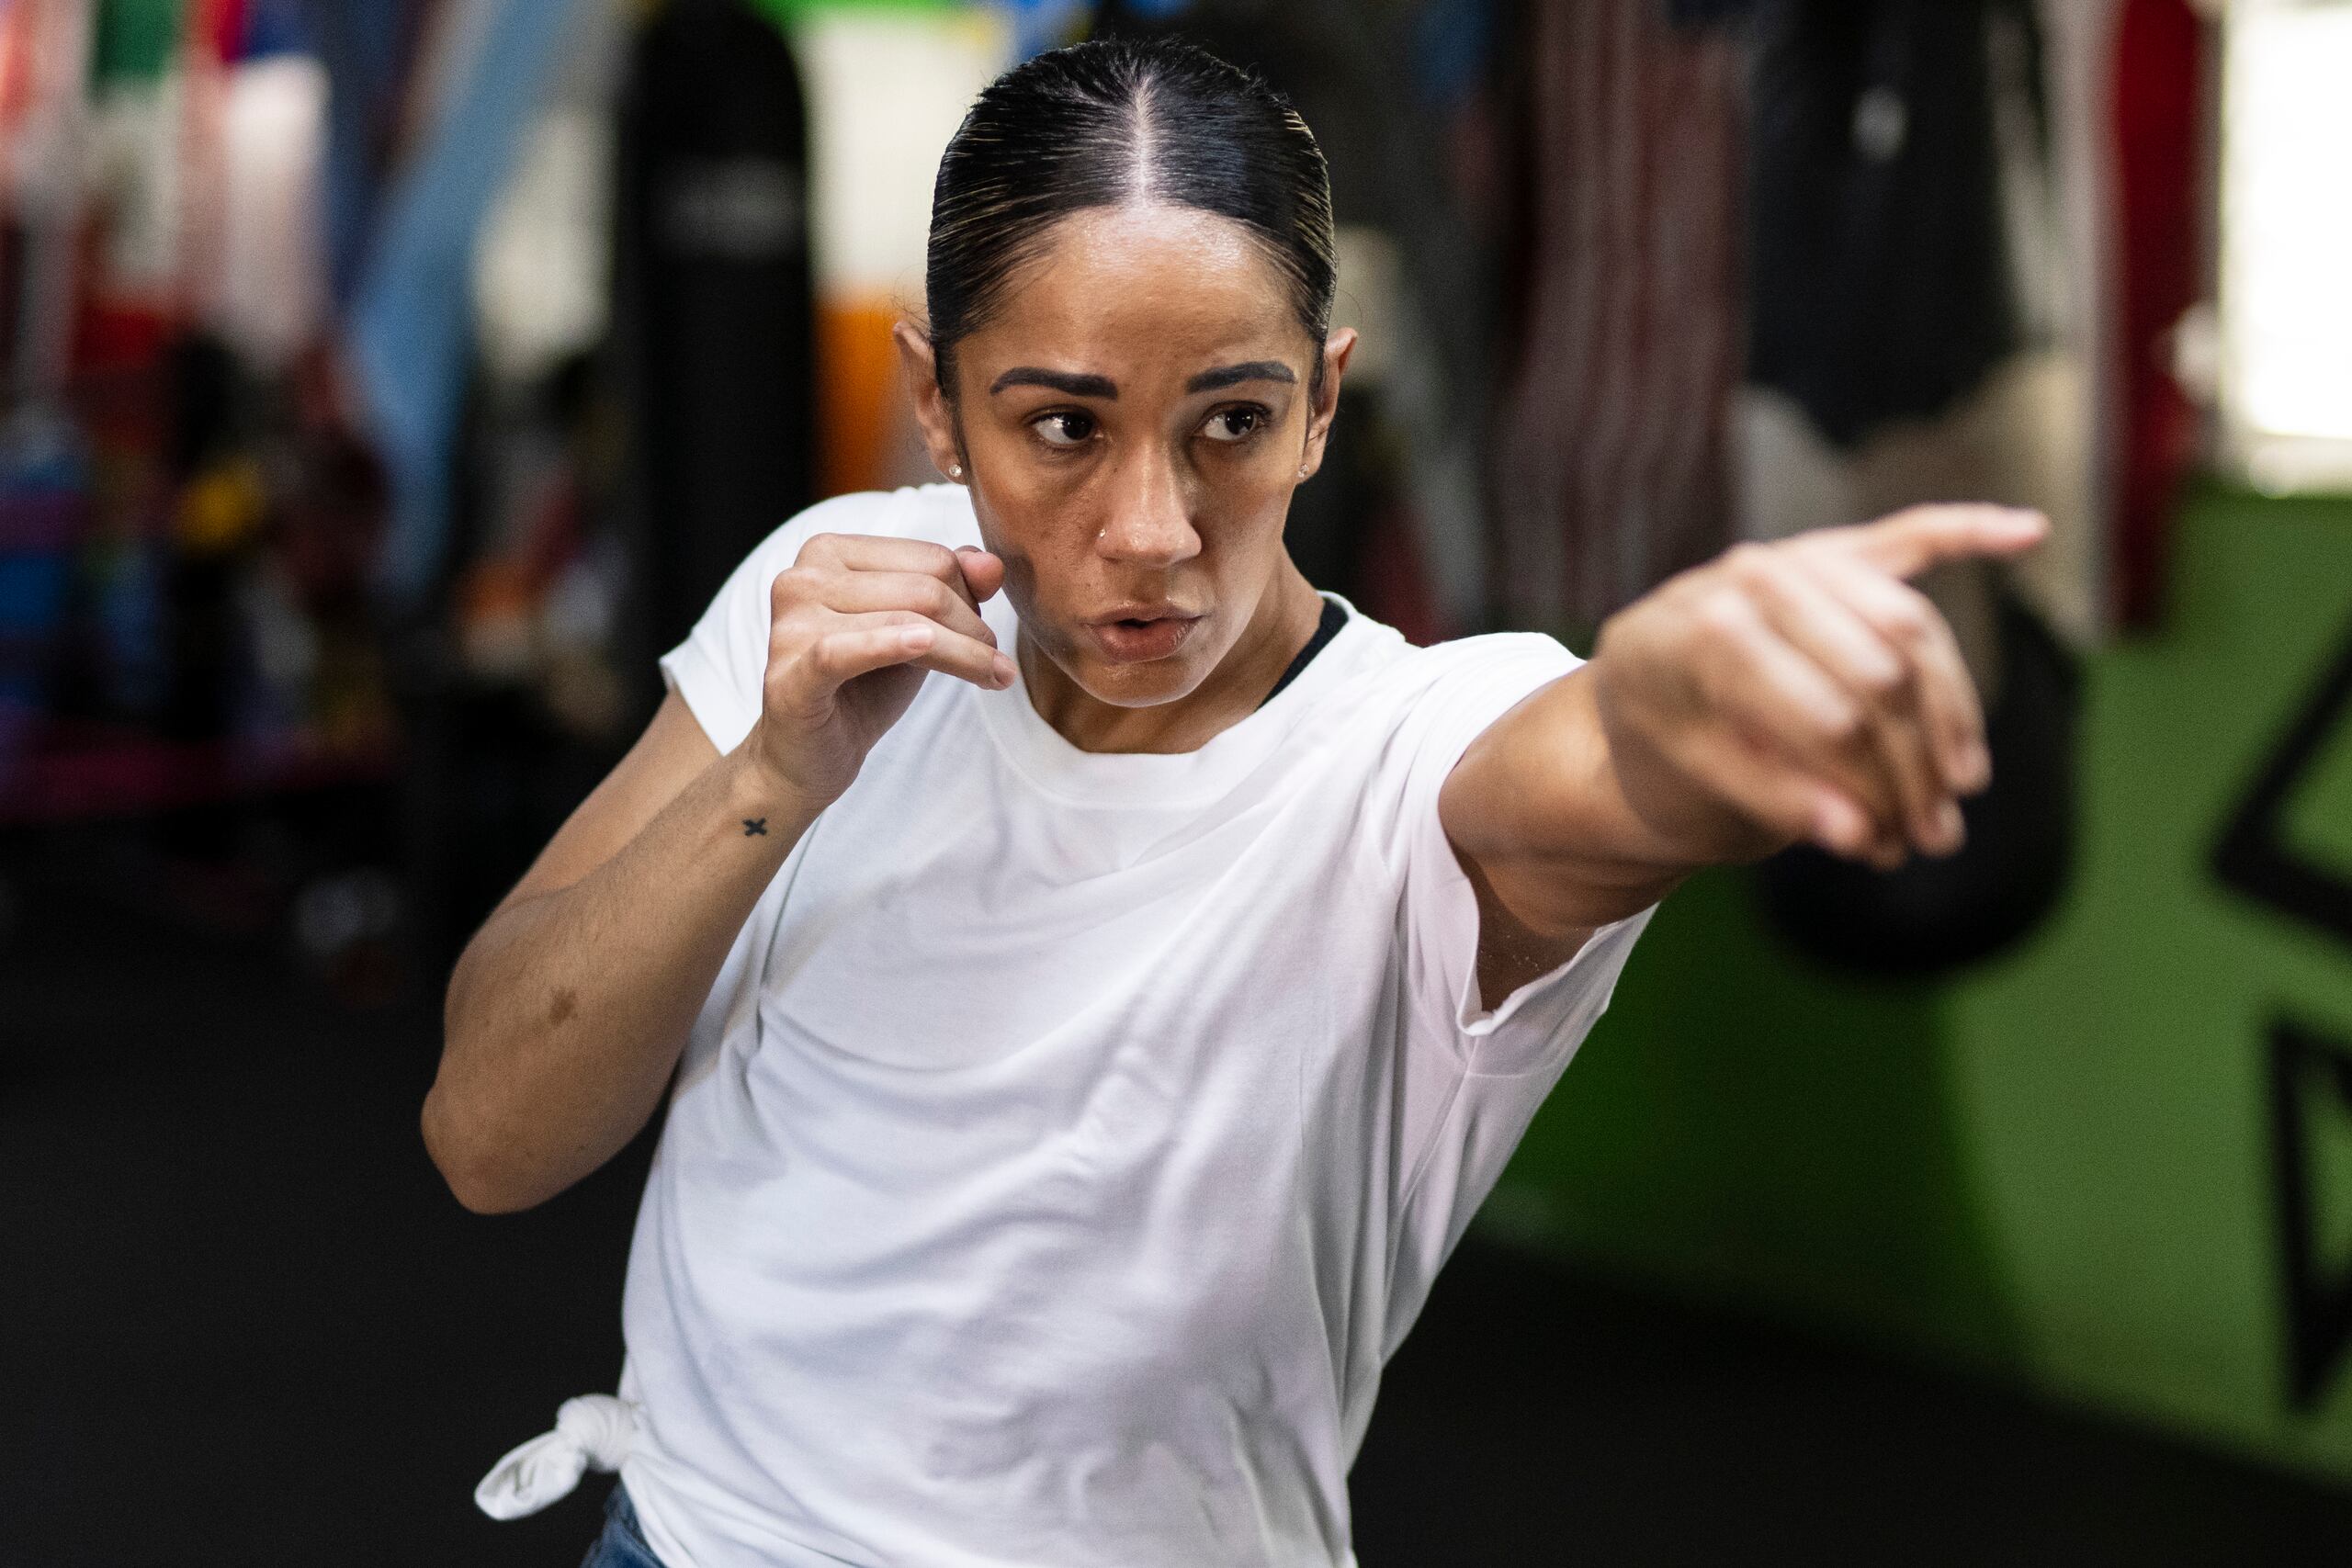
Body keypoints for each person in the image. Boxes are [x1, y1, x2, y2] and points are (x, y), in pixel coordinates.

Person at [424, 37, 2045, 1568]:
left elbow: (1609, 761)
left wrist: (1689, 681)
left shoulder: (1412, 760)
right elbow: (487, 1139)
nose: (1152, 526)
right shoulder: (831, 591)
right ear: (938, 400)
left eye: (1233, 425)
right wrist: (776, 781)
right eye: (1063, 425)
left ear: (1324, 402)